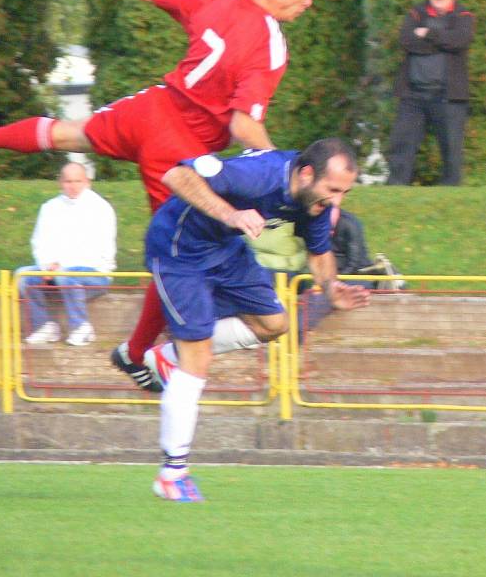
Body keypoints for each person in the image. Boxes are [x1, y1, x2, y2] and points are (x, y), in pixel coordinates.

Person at [0, 0, 322, 389]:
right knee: (179, 253)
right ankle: (137, 353)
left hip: (150, 108)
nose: (308, 2)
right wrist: (276, 172)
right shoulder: (269, 43)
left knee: (69, 134)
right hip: (178, 148)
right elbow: (244, 123)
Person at [139, 138, 370, 501]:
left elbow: (319, 251)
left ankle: (170, 358)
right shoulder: (258, 174)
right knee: (198, 357)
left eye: (344, 192)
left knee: (275, 323)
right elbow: (177, 175)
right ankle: (173, 472)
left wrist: (331, 286)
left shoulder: (314, 201)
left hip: (226, 251)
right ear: (307, 174)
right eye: (333, 189)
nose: (337, 200)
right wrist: (230, 214)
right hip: (178, 252)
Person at [387, 0, 474, 186]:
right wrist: (441, 41)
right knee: (402, 146)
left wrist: (428, 34)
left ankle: (451, 192)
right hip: (413, 95)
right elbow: (407, 41)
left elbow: (460, 41)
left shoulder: (464, 16)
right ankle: (395, 189)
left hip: (448, 96)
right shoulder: (416, 13)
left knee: (452, 151)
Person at [17, 162, 117, 346]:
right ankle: (44, 326)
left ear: (87, 182)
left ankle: (81, 327)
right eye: (68, 181)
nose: (73, 186)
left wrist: (59, 267)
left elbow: (100, 251)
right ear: (60, 182)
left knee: (65, 276)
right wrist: (46, 265)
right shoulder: (49, 207)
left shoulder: (101, 208)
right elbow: (39, 242)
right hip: (57, 272)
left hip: (95, 275)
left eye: (78, 181)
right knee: (23, 276)